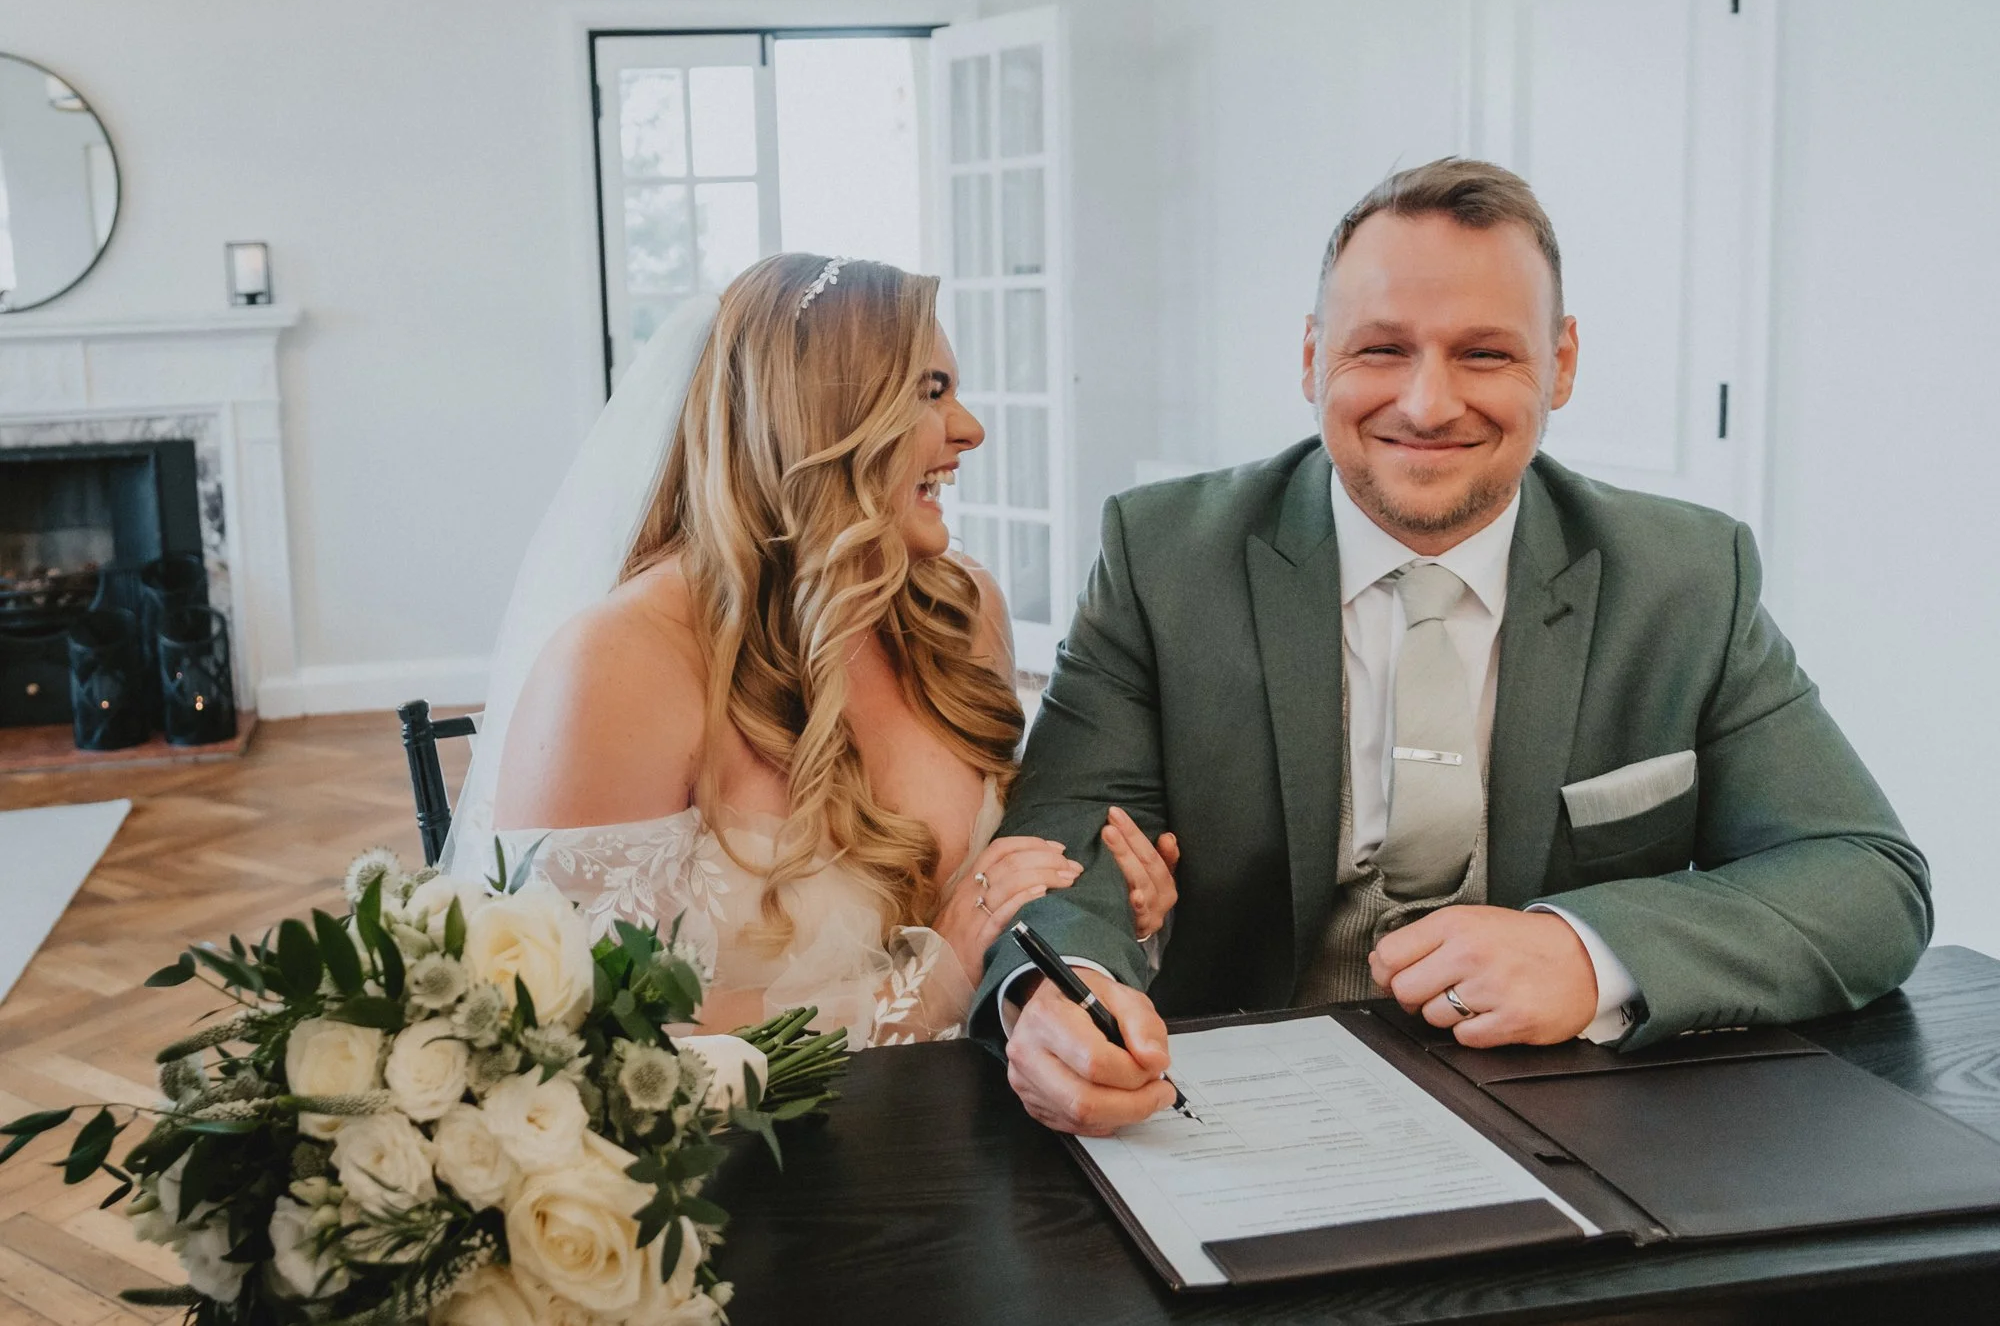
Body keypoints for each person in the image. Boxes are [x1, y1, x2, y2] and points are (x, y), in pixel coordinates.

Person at [982, 158, 1930, 1135]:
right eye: (1380, 349)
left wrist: (1584, 952)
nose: (1428, 405)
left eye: (1483, 355)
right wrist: (1059, 994)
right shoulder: (1162, 556)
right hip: (1214, 1112)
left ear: (1559, 362)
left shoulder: (1685, 577)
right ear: (1311, 357)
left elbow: (1863, 879)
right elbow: (1060, 848)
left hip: (1573, 1125)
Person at [442, 254, 1180, 1047]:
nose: (970, 428)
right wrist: (931, 985)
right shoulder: (619, 664)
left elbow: (1003, 900)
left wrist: (1105, 917)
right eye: (931, 392)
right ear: (820, 416)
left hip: (995, 1110)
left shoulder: (959, 613)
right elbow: (586, 1033)